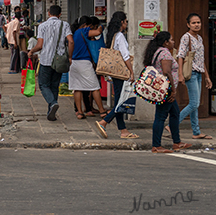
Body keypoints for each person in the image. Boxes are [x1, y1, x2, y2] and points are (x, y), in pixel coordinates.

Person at [147, 31, 192, 153]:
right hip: (166, 90)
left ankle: (177, 142)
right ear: (165, 42)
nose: (173, 42)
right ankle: (156, 145)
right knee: (160, 117)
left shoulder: (157, 51)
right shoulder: (165, 53)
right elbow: (167, 72)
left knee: (175, 113)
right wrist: (173, 90)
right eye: (171, 40)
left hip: (163, 89)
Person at [27, 5, 73, 121]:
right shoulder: (65, 25)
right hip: (59, 61)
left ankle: (52, 103)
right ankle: (50, 112)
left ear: (48, 13)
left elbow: (40, 45)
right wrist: (70, 57)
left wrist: (32, 51)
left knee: (43, 85)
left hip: (46, 60)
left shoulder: (42, 26)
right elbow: (71, 41)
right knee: (54, 86)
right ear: (59, 14)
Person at [96, 11, 137, 139]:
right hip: (121, 73)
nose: (126, 24)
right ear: (121, 23)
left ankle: (123, 130)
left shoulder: (112, 36)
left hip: (115, 73)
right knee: (121, 102)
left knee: (120, 100)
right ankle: (104, 122)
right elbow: (125, 56)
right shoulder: (120, 36)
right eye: (126, 22)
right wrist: (131, 71)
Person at [177, 13, 214, 140]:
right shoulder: (186, 37)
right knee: (194, 103)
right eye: (193, 22)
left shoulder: (199, 38)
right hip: (190, 73)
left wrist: (207, 76)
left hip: (199, 73)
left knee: (195, 104)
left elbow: (201, 59)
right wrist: (180, 74)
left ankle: (196, 132)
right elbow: (180, 56)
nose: (197, 24)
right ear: (188, 24)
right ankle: (173, 125)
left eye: (198, 22)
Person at [70, 16, 107, 119]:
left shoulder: (75, 32)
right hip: (84, 62)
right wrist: (100, 27)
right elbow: (98, 32)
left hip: (74, 62)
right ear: (87, 25)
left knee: (77, 88)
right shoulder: (83, 30)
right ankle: (102, 110)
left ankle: (80, 112)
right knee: (95, 87)